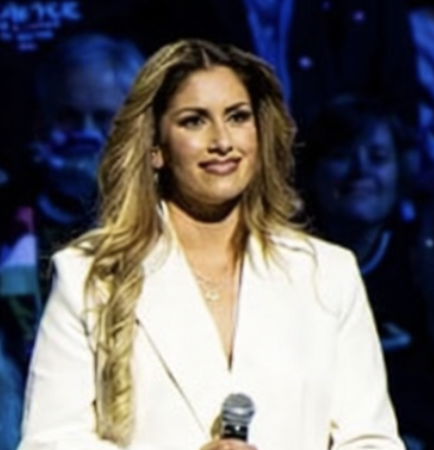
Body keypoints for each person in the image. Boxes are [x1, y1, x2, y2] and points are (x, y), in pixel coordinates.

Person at [18, 39, 405, 450]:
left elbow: (372, 441)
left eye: (237, 117)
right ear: (155, 148)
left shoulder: (327, 273)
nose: (222, 140)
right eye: (194, 121)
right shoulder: (89, 275)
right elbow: (50, 442)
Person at [298, 95, 434, 447]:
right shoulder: (288, 264)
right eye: (341, 156)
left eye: (378, 157)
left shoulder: (421, 263)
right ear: (312, 172)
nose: (361, 171)